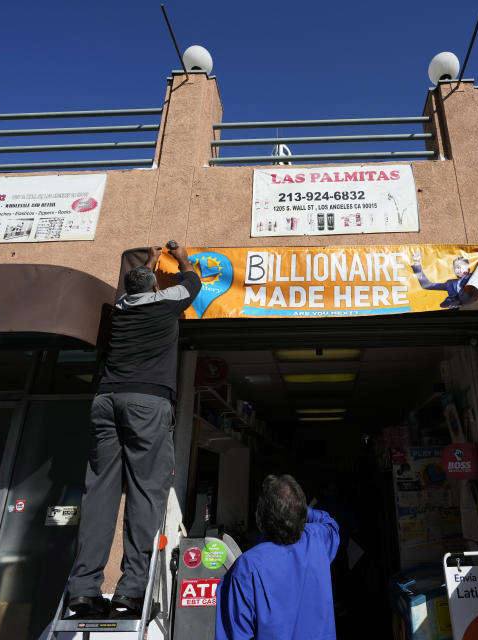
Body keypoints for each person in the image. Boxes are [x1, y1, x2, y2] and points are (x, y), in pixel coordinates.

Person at [66, 242, 200, 619]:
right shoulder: (166, 303)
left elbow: (139, 289)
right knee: (144, 492)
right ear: (154, 289)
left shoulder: (119, 311)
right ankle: (130, 592)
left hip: (106, 401)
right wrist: (181, 255)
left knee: (100, 494)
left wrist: (152, 262)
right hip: (146, 404)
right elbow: (192, 282)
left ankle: (83, 590)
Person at [215, 475, 339, 640]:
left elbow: (233, 635)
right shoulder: (318, 539)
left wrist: (288, 509)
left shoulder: (248, 568)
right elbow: (330, 523)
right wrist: (295, 509)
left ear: (260, 521)